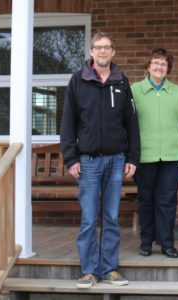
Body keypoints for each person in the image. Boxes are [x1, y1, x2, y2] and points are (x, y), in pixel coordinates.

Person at [60, 32, 140, 289]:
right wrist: (71, 158)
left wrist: (132, 157)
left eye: (107, 47)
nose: (103, 51)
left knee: (112, 218)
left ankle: (110, 269)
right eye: (98, 47)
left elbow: (132, 123)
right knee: (88, 218)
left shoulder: (121, 81)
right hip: (89, 162)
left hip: (117, 161)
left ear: (113, 52)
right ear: (92, 52)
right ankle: (89, 271)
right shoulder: (78, 81)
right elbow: (67, 123)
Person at [131, 48, 178, 259]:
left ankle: (167, 243)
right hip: (144, 156)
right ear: (148, 66)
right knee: (146, 199)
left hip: (172, 157)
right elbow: (127, 125)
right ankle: (146, 242)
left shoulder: (176, 92)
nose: (159, 67)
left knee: (167, 200)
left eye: (164, 64)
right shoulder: (134, 90)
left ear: (168, 69)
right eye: (155, 63)